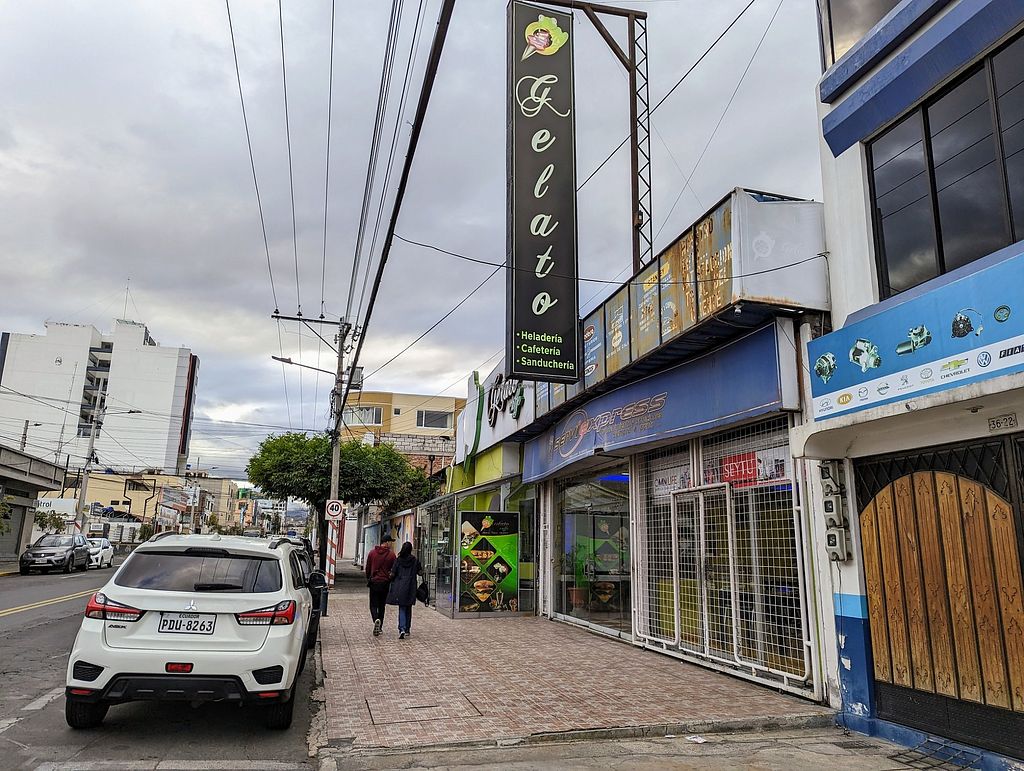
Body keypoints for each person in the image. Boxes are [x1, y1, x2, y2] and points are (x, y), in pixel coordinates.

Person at [387, 541, 423, 639]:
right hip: (411, 586)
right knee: (408, 607)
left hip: (400, 586)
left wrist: (389, 576)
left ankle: (402, 628)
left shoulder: (398, 560)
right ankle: (407, 629)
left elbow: (393, 574)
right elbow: (420, 572)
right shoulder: (414, 560)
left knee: (402, 608)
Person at [364, 533, 396, 637]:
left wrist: (369, 577)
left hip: (374, 582)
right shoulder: (391, 555)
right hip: (385, 583)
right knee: (382, 605)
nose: (391, 544)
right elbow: (394, 570)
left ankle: (375, 619)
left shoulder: (372, 553)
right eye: (390, 542)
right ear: (386, 542)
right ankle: (380, 625)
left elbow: (368, 568)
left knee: (373, 604)